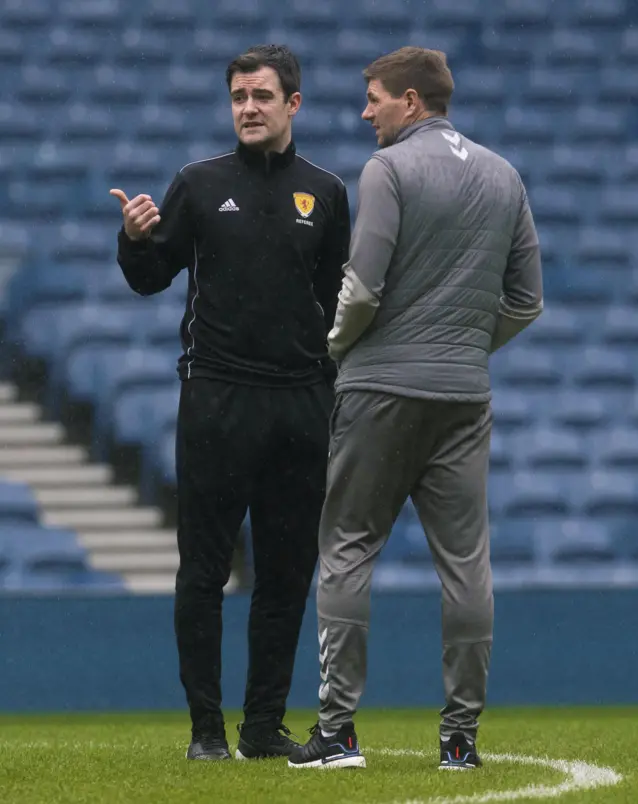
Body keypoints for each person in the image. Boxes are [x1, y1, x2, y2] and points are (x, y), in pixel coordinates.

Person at [288, 47, 543, 771]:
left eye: (373, 98)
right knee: (467, 565)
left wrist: (334, 348)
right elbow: (528, 300)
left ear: (410, 100)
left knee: (346, 549)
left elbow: (362, 289)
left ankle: (336, 734)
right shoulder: (505, 174)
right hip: (464, 395)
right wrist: (463, 346)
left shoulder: (388, 170)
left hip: (379, 390)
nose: (365, 111)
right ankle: (460, 741)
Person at [111, 44, 350, 762]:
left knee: (285, 574)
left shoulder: (328, 192)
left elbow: (342, 300)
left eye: (262, 96)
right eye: (239, 97)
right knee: (204, 571)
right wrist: (131, 242)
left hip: (302, 406)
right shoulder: (198, 182)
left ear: (293, 104)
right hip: (217, 399)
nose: (248, 108)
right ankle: (207, 733)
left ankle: (261, 727)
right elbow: (151, 278)